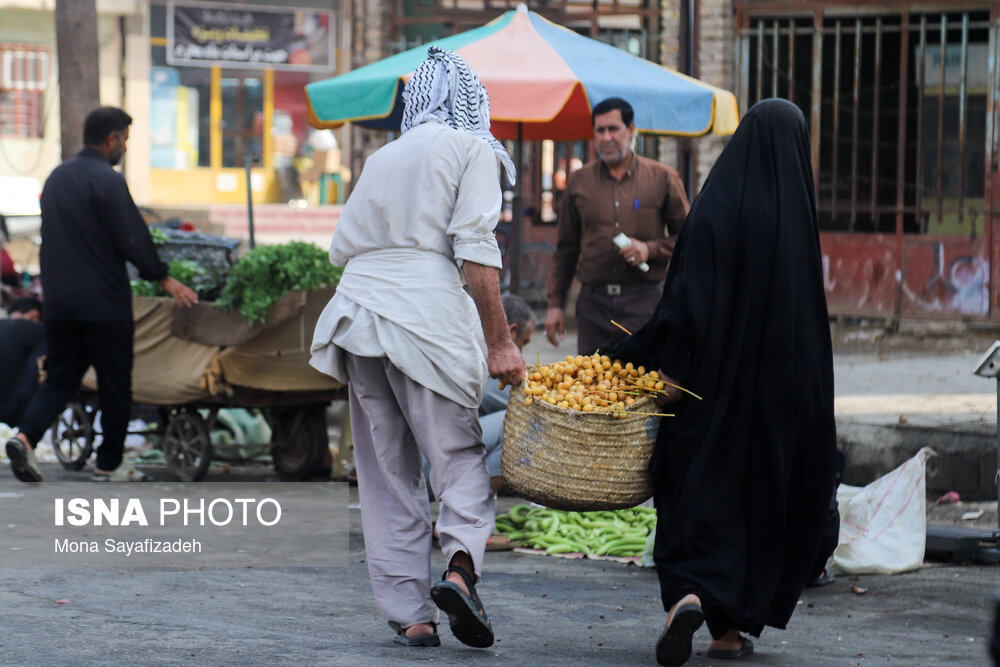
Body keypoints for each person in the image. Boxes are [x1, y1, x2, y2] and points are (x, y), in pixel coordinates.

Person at [601, 99, 837, 666]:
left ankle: (686, 595)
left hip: (707, 395)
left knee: (693, 494)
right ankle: (728, 633)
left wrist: (660, 369)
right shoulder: (796, 222)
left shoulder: (714, 210)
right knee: (755, 504)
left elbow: (686, 304)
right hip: (777, 405)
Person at [309, 47, 525, 649]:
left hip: (357, 314)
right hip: (423, 313)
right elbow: (477, 250)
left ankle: (411, 612)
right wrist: (501, 342)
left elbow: (346, 247)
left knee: (386, 472)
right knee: (456, 455)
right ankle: (459, 570)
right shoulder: (471, 148)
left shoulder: (383, 156)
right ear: (468, 101)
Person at [4, 106, 197, 484]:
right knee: (114, 382)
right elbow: (132, 237)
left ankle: (25, 438)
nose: (124, 146)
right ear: (112, 138)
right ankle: (108, 464)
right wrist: (164, 279)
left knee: (60, 376)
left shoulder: (57, 177)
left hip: (59, 302)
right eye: (124, 139)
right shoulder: (106, 180)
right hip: (103, 304)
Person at [544, 97, 690, 355]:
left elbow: (689, 239)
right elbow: (566, 248)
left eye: (614, 129)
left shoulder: (663, 178)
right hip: (593, 307)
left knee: (641, 388)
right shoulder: (579, 182)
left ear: (631, 129)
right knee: (590, 388)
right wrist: (556, 304)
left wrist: (650, 249)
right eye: (600, 130)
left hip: (644, 305)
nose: (606, 137)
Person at [0, 297, 45, 427]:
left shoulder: (3, 324)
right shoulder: (38, 332)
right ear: (34, 315)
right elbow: (33, 374)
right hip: (10, 414)